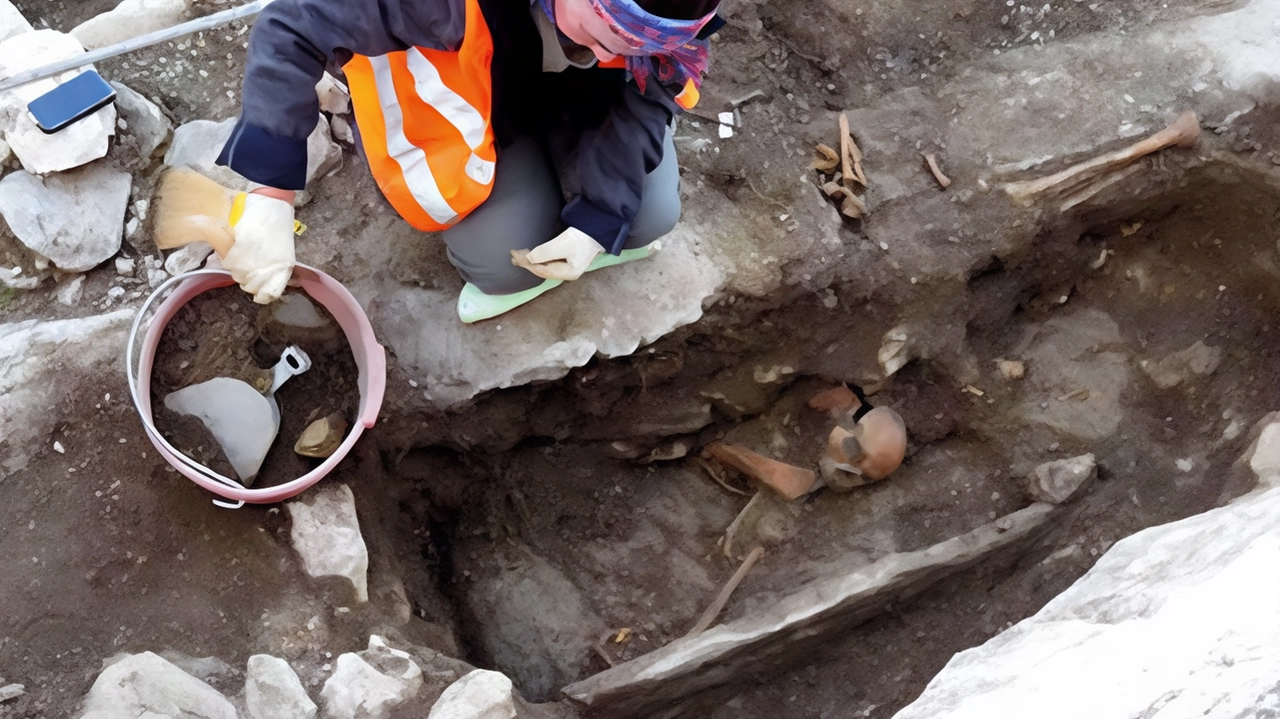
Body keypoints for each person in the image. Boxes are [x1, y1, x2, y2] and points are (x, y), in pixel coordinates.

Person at [215, 0, 724, 322]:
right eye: (597, 35)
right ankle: (533, 181)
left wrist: (597, 222)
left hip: (582, 108)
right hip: (471, 114)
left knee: (648, 217)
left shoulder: (679, 12)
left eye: (626, 49)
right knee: (503, 268)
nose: (598, 51)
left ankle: (579, 192)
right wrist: (271, 196)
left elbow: (648, 93)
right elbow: (290, 27)